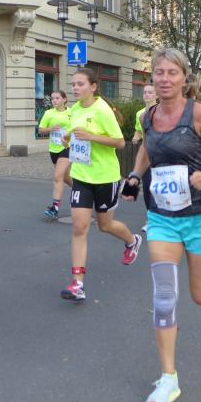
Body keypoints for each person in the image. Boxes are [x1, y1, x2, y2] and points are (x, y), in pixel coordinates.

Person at [122, 48, 201, 402]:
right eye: (159, 73)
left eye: (172, 73)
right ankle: (168, 378)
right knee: (163, 297)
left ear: (184, 78)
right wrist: (134, 175)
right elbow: (147, 149)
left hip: (200, 216)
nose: (165, 79)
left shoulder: (198, 113)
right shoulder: (148, 116)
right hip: (162, 217)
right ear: (152, 77)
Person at [61, 68, 142, 302]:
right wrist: (67, 139)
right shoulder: (74, 110)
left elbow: (119, 142)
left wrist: (91, 137)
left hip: (105, 177)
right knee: (79, 227)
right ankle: (77, 283)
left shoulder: (102, 110)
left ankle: (132, 241)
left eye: (80, 84)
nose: (75, 88)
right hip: (82, 175)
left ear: (93, 87)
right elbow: (73, 136)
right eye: (73, 84)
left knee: (105, 225)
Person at [37, 90, 73, 219]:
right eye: (52, 98)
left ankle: (55, 207)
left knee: (58, 176)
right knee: (65, 177)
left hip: (67, 147)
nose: (54, 101)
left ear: (64, 99)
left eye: (57, 98)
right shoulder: (49, 113)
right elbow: (40, 130)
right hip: (54, 149)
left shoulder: (72, 113)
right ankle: (81, 191)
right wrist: (50, 129)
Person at [132, 84, 158, 232]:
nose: (147, 95)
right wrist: (136, 137)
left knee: (159, 188)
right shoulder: (140, 114)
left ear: (156, 95)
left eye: (150, 92)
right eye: (145, 92)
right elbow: (140, 131)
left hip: (161, 156)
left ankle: (161, 218)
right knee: (147, 187)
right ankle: (150, 219)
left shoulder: (161, 111)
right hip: (147, 154)